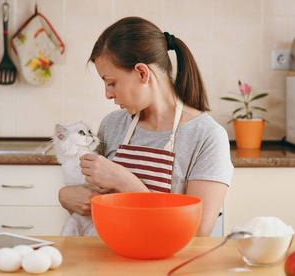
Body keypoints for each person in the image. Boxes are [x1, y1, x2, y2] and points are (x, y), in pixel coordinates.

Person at [58, 17, 233, 236]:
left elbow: (196, 233)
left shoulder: (207, 136)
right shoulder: (112, 125)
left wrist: (125, 181)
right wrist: (65, 196)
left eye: (111, 82)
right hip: (109, 258)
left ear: (142, 73)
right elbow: (90, 209)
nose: (108, 94)